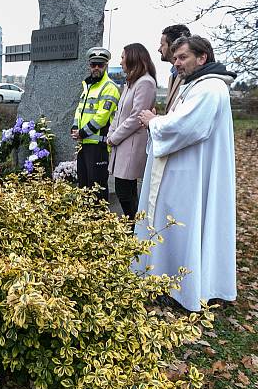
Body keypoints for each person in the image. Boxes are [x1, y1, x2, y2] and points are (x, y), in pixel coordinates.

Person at [135, 35, 237, 312]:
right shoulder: (196, 85)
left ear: (202, 58)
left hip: (192, 175)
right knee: (179, 228)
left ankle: (183, 287)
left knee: (185, 227)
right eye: (175, 57)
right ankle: (171, 281)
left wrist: (154, 121)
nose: (176, 63)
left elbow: (187, 127)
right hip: (185, 169)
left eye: (183, 58)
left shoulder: (211, 88)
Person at [106, 43, 157, 222]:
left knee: (125, 193)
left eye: (122, 57)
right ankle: (134, 232)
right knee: (126, 192)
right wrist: (111, 134)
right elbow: (119, 113)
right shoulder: (131, 83)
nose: (120, 62)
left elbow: (137, 116)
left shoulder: (145, 82)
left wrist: (114, 137)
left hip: (131, 146)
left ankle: (135, 232)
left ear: (133, 58)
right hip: (123, 144)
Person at [71, 47, 121, 202]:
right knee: (83, 185)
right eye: (94, 64)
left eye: (100, 64)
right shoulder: (88, 87)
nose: (96, 68)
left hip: (99, 146)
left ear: (106, 65)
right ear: (89, 65)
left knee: (97, 187)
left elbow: (102, 117)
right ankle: (85, 222)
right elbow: (79, 110)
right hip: (84, 144)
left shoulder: (109, 87)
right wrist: (74, 128)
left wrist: (82, 132)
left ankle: (99, 222)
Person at [158, 24, 191, 112]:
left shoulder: (190, 75)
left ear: (173, 45)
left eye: (162, 45)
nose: (159, 49)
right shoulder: (173, 76)